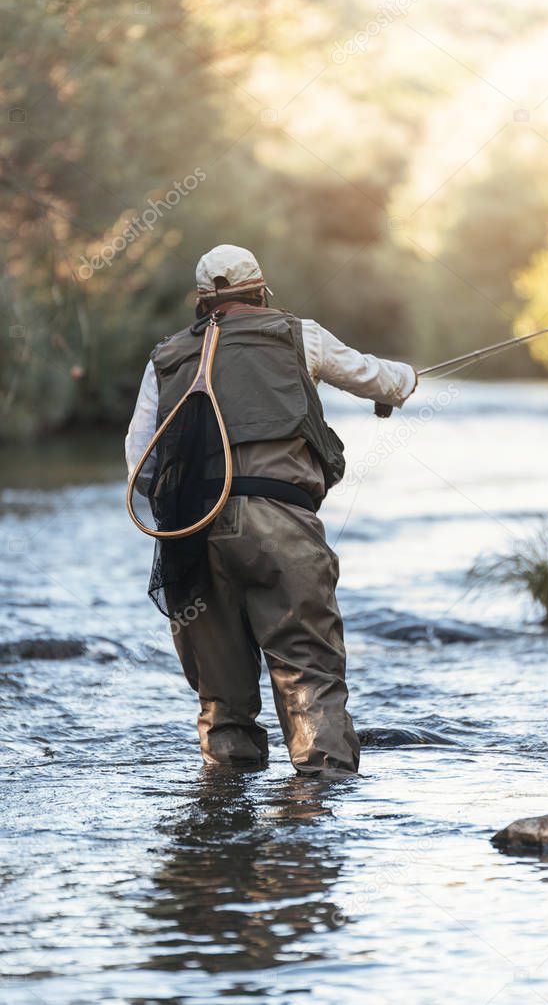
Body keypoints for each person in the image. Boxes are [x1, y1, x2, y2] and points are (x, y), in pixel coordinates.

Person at [125, 244, 417, 777]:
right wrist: (406, 382)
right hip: (280, 525)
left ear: (201, 302)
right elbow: (379, 379)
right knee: (309, 678)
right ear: (261, 291)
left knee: (221, 699)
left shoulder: (164, 358)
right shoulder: (298, 332)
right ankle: (313, 820)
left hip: (190, 536)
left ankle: (220, 834)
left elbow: (140, 468)